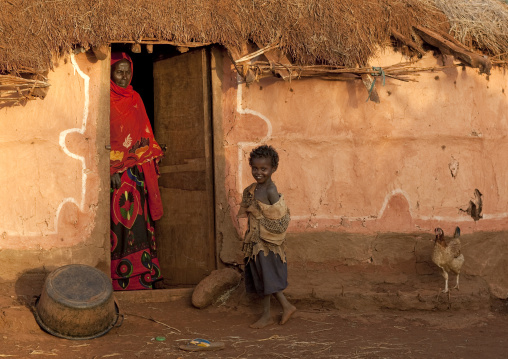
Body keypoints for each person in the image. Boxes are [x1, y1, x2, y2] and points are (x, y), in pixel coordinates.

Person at [110, 52, 164, 290]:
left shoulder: (136, 98)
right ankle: (119, 278)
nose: (124, 77)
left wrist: (147, 157)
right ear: (110, 73)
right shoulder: (105, 99)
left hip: (137, 173)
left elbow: (144, 133)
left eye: (127, 71)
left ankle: (143, 276)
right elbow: (106, 137)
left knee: (140, 223)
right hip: (116, 175)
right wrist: (111, 168)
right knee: (117, 225)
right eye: (119, 72)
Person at [238, 145, 296, 328]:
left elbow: (280, 220)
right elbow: (247, 211)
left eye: (264, 169)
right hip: (255, 243)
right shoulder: (252, 189)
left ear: (273, 169)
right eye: (255, 168)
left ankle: (271, 314)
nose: (258, 172)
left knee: (268, 278)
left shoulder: (271, 190)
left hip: (268, 244)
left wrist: (257, 214)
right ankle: (280, 309)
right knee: (262, 278)